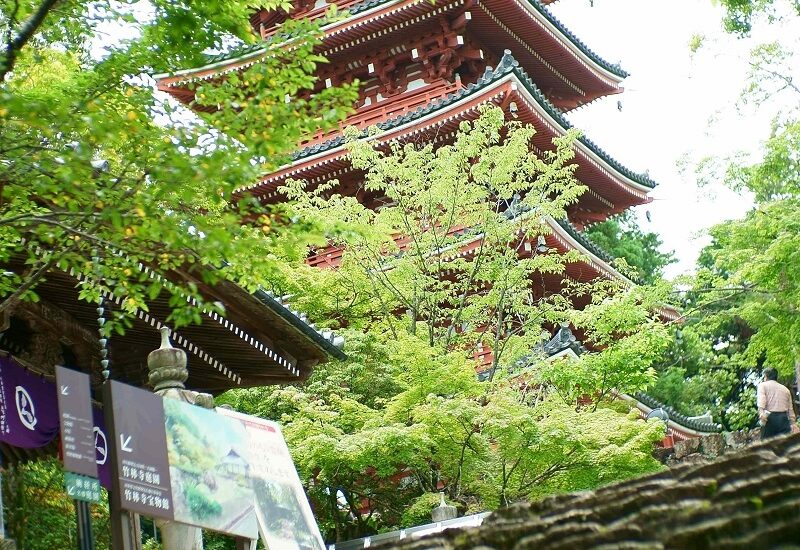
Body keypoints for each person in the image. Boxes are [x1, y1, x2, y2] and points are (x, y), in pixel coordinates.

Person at [757, 367, 798, 439]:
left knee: (766, 446)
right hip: (783, 419)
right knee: (783, 446)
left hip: (769, 418)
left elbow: (761, 400)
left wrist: (761, 412)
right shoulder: (785, 389)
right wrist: (793, 423)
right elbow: (790, 409)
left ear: (766, 376)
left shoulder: (763, 385)